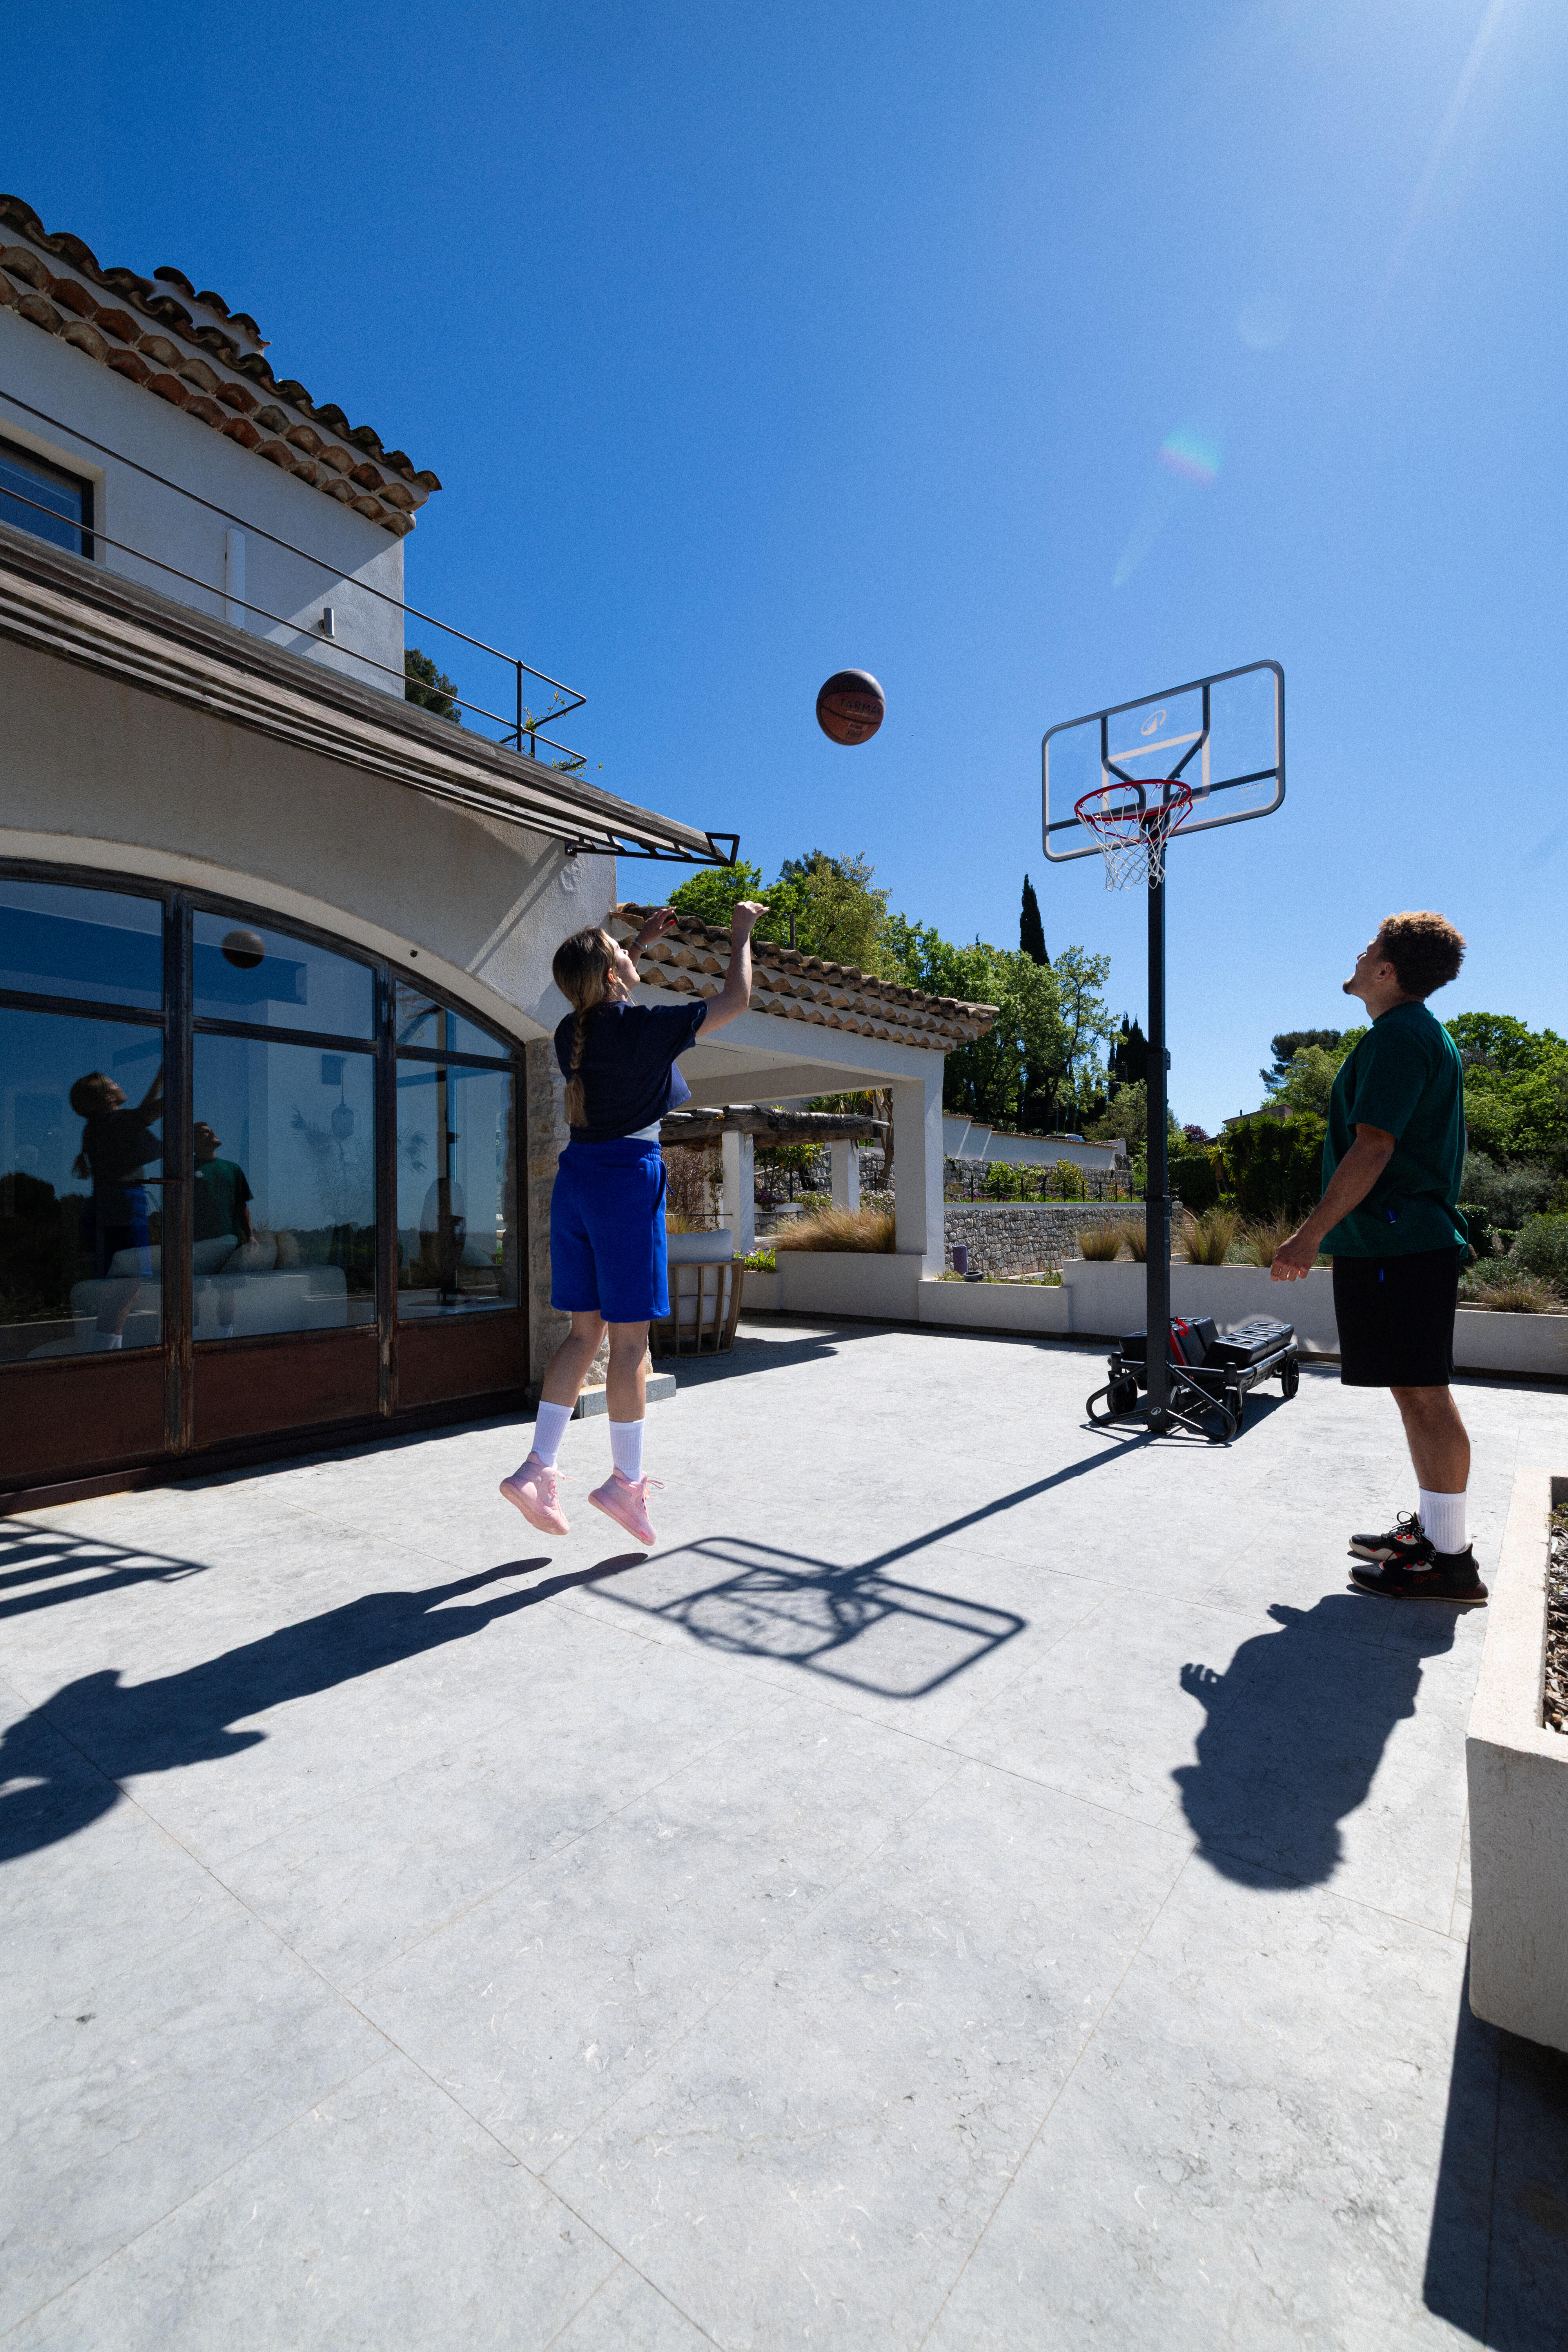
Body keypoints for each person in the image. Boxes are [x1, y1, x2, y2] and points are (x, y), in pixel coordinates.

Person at [501, 898, 767, 1545]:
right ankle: (625, 1483)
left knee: (583, 1336)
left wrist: (637, 943)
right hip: (625, 1182)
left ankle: (537, 1469)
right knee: (629, 1347)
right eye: (621, 951)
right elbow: (737, 998)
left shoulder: (571, 1032)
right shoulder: (645, 1029)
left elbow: (605, 997)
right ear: (611, 973)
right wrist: (741, 934)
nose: (629, 954)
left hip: (578, 1181)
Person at [1271, 911, 1485, 1605]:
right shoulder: (1412, 1033)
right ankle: (1435, 1537)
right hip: (1398, 1243)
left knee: (1423, 1393)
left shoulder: (1399, 1037)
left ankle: (1450, 1562)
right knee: (1414, 1391)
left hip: (1400, 1243)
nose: (1359, 957)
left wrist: (1309, 1236)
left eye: (1369, 950)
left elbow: (1374, 1146)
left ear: (1388, 971)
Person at [69, 1065, 164, 1350]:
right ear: (108, 1098)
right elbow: (152, 1111)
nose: (120, 1084)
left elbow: (141, 1116)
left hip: (108, 1203)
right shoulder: (114, 1122)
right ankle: (106, 1353)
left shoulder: (102, 1126)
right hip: (123, 1204)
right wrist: (172, 1077)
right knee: (127, 1283)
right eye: (114, 1083)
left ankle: (106, 1349)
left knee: (118, 1284)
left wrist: (160, 1078)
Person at [192, 1120, 254, 1339]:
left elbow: (242, 1206)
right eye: (204, 1133)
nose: (211, 1134)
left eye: (211, 1131)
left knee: (228, 1292)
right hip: (196, 1244)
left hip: (230, 1242)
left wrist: (251, 1236)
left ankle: (225, 1339)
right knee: (192, 1293)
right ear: (194, 1142)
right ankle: (192, 1339)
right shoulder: (187, 1169)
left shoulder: (233, 1169)